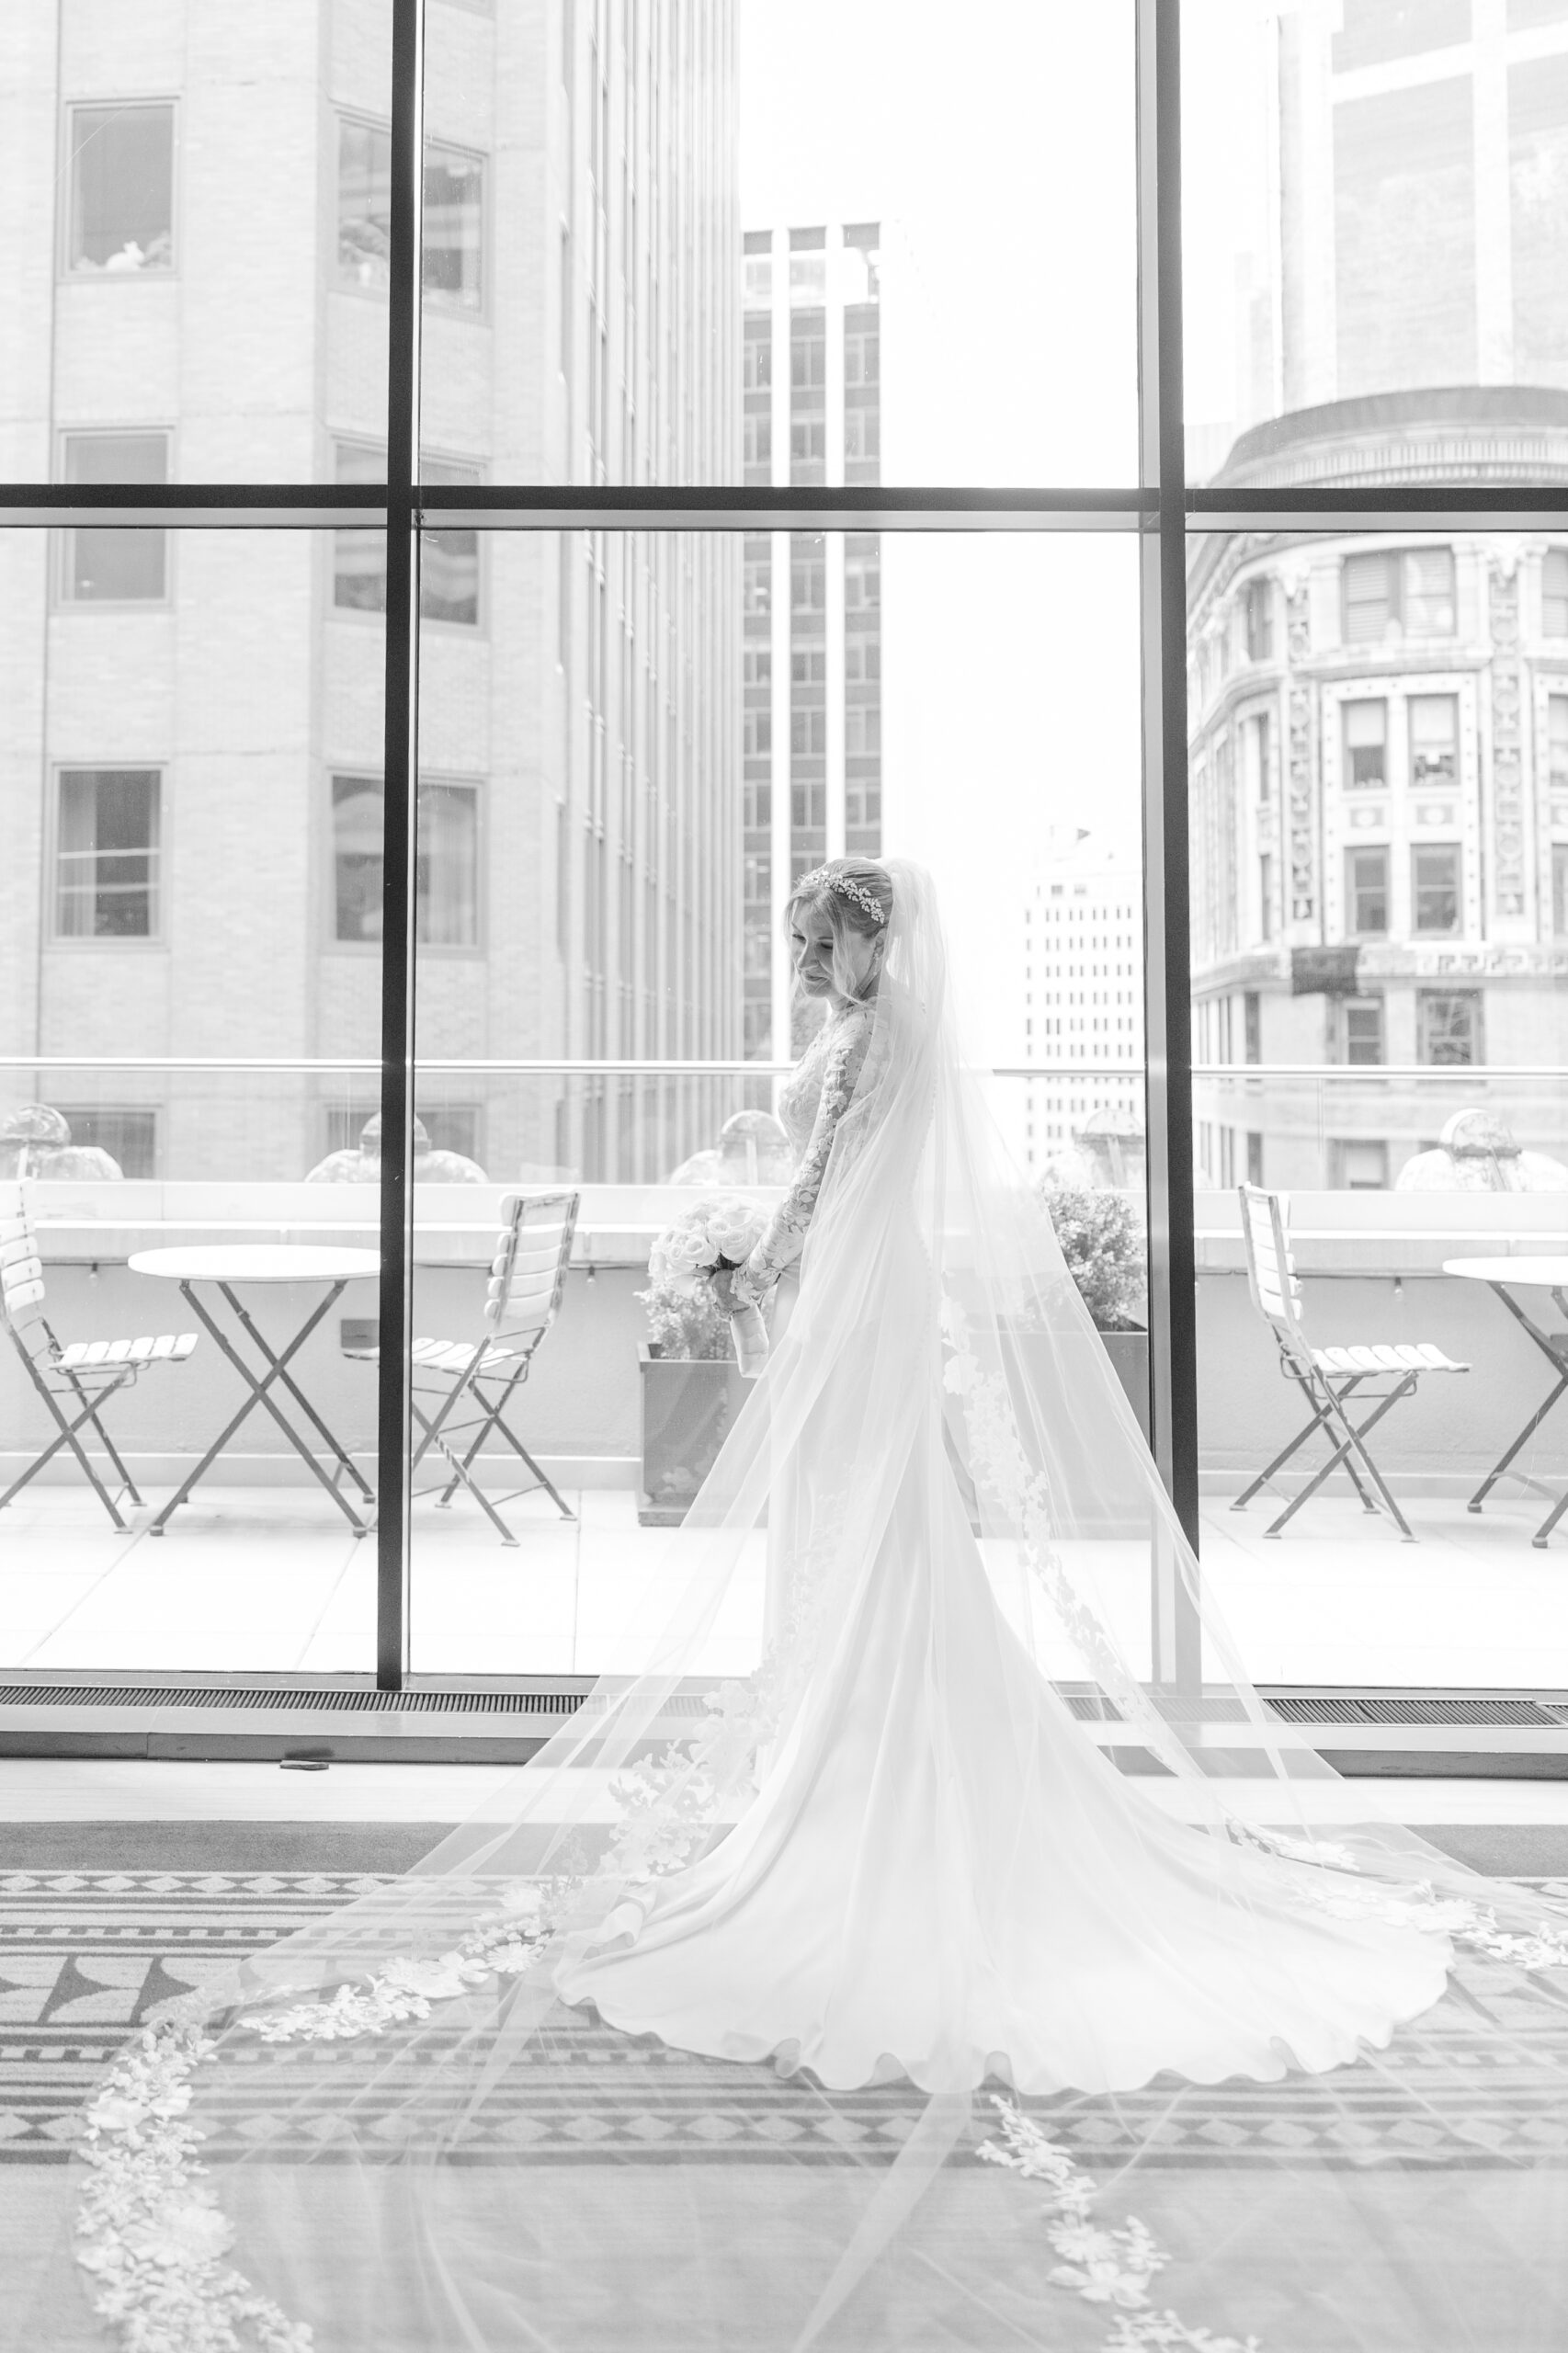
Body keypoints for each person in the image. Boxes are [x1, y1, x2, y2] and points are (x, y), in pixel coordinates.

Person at [26, 860, 1568, 2353]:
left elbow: (810, 1195)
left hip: (845, 1306)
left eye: (812, 943)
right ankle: (875, 1752)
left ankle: (847, 1770)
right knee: (894, 1544)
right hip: (886, 1310)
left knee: (845, 1540)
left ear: (857, 945)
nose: (803, 969)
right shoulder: (908, 1040)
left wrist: (727, 1253)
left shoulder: (851, 1046)